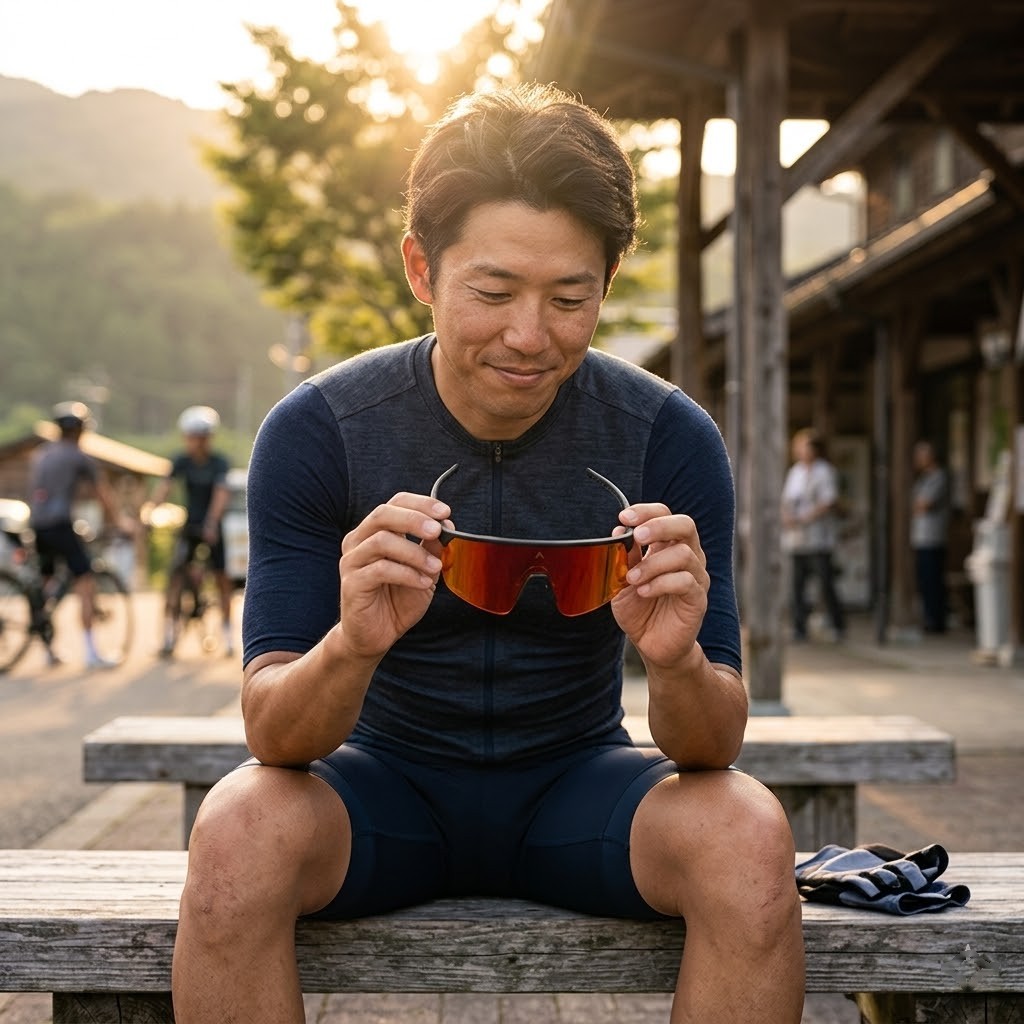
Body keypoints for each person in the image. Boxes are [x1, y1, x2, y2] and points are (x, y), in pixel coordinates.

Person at [171, 83, 805, 1023]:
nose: (529, 336)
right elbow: (275, 735)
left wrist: (674, 661)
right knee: (234, 832)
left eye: (570, 299)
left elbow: (711, 747)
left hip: (580, 789)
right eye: (494, 292)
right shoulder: (321, 429)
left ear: (607, 283)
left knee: (748, 834)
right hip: (379, 788)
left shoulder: (665, 435)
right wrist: (352, 642)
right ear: (421, 269)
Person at [27, 401, 133, 669]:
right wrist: (120, 522)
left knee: (46, 582)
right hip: (60, 523)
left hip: (38, 524)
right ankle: (90, 652)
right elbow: (102, 493)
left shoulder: (42, 454)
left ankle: (47, 646)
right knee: (85, 581)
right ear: (81, 430)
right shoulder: (78, 457)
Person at [151, 405, 234, 658]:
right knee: (176, 576)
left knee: (221, 577)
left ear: (208, 438)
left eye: (199, 437)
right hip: (189, 524)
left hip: (212, 525)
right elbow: (165, 487)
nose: (194, 442)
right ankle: (168, 636)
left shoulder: (219, 462)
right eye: (191, 436)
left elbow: (221, 494)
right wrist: (150, 511)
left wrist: (211, 522)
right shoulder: (181, 461)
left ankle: (228, 636)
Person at [781, 427, 846, 642]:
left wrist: (806, 517)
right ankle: (799, 628)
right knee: (797, 585)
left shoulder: (824, 471)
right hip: (797, 537)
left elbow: (828, 501)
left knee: (825, 582)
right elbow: (786, 500)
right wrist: (787, 517)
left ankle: (838, 624)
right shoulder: (796, 472)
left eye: (806, 447)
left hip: (819, 537)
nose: (802, 451)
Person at [910, 439, 949, 634]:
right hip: (921, 536)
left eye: (921, 455)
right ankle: (928, 617)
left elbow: (924, 504)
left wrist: (918, 505)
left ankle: (936, 620)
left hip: (933, 537)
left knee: (933, 579)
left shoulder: (939, 477)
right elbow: (915, 504)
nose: (918, 459)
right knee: (925, 580)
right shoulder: (923, 479)